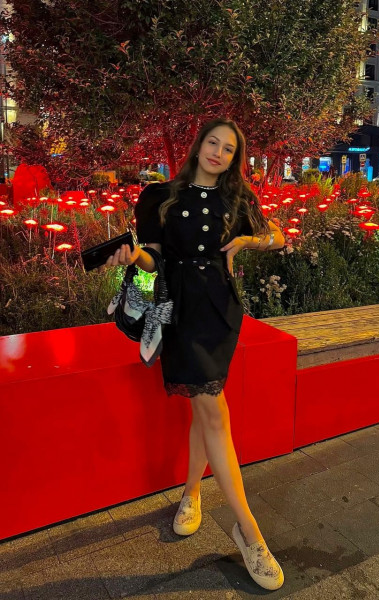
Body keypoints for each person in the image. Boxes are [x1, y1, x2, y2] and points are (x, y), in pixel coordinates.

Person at [106, 118, 285, 590]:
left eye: (228, 149)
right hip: (180, 310)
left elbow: (280, 236)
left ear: (234, 158)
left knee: (204, 411)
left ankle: (191, 492)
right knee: (213, 412)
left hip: (221, 312)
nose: (218, 152)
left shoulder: (237, 199)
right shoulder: (160, 196)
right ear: (198, 145)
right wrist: (134, 257)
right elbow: (153, 258)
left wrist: (248, 240)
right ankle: (249, 532)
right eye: (212, 142)